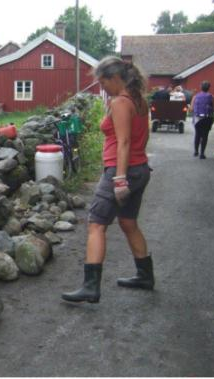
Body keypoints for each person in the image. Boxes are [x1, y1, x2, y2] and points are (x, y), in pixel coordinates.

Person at [62, 57, 153, 304]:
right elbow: (140, 137)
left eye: (103, 83)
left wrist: (120, 179)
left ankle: (90, 287)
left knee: (96, 224)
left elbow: (123, 141)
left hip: (120, 171)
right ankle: (145, 275)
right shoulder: (139, 100)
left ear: (115, 79)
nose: (102, 89)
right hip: (139, 168)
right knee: (128, 222)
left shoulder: (121, 102)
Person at [190, 81, 214, 159]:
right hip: (207, 118)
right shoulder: (212, 97)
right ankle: (202, 154)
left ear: (200, 87)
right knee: (205, 136)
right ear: (209, 88)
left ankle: (196, 151)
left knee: (197, 134)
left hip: (197, 118)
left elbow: (191, 109)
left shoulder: (195, 96)